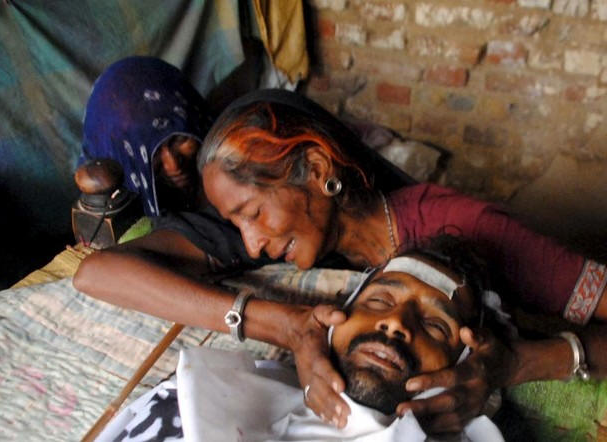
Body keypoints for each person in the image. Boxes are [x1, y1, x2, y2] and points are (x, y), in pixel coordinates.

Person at [73, 89, 607, 435]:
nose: (251, 244)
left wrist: (519, 364)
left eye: (253, 213)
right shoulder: (278, 234)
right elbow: (96, 273)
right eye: (237, 222)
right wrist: (286, 324)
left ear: (316, 168)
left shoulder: (470, 229)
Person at [95, 236, 508, 441]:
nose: (396, 323)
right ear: (335, 318)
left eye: (435, 326)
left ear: (464, 365)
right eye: (379, 300)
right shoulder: (187, 400)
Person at [79, 56, 213, 216]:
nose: (174, 166)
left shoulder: (230, 153)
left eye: (179, 139)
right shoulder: (104, 219)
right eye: (149, 153)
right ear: (118, 155)